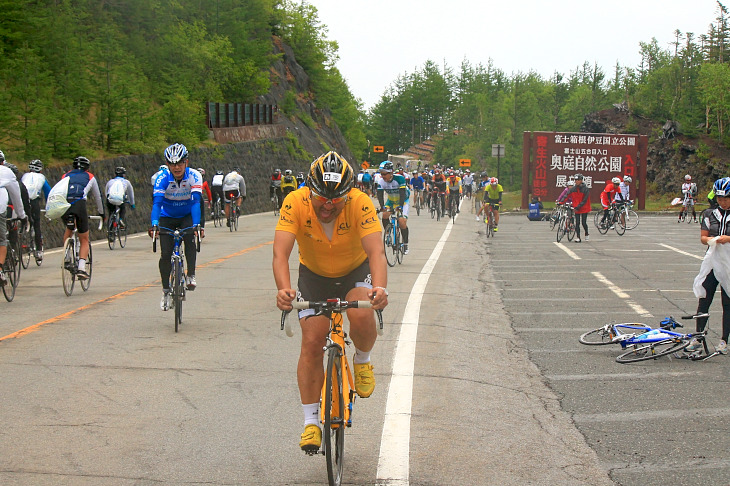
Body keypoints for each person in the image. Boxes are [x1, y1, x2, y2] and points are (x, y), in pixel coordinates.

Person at [272, 151, 388, 452]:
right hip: (314, 276)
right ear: (309, 189)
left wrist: (381, 289)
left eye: (336, 199)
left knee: (362, 314)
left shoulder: (360, 202)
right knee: (311, 341)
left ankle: (362, 360)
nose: (328, 205)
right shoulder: (294, 202)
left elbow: (376, 252)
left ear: (347, 194)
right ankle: (311, 423)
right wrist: (284, 290)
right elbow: (280, 254)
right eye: (321, 197)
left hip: (354, 271)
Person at [150, 143, 204, 310]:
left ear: (186, 162)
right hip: (167, 216)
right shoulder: (162, 178)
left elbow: (196, 202)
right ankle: (166, 291)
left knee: (189, 239)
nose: (177, 167)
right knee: (165, 254)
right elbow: (157, 204)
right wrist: (154, 224)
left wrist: (197, 225)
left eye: (180, 163)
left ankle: (191, 275)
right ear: (168, 165)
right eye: (173, 164)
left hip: (187, 215)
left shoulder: (194, 176)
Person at [688, 177, 730, 355]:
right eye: (720, 198)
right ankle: (698, 336)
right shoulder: (709, 214)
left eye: (726, 198)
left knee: (727, 302)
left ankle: (724, 340)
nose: (723, 201)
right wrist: (712, 240)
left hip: (728, 262)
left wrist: (727, 238)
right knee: (705, 298)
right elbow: (703, 237)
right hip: (712, 261)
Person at [59, 156, 105, 280]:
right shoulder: (90, 177)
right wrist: (101, 213)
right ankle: (81, 268)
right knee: (84, 238)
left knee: (68, 230)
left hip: (64, 204)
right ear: (87, 168)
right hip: (79, 205)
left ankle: (67, 257)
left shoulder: (65, 176)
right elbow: (98, 197)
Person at [0, 163, 27, 286]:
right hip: (2, 209)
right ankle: (0, 270)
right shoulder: (6, 172)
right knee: (2, 240)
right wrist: (22, 216)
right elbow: (17, 197)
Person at [376, 161, 411, 254]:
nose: (383, 176)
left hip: (403, 201)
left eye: (385, 174)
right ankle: (388, 234)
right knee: (385, 215)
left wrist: (400, 206)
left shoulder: (400, 179)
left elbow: (403, 193)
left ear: (391, 172)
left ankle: (406, 244)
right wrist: (382, 207)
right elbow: (379, 195)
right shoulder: (381, 181)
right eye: (381, 173)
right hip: (391, 201)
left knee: (402, 222)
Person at [20, 159, 51, 261]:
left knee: (21, 221)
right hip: (34, 202)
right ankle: (38, 251)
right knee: (36, 224)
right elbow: (48, 193)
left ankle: (17, 244)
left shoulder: (24, 176)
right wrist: (49, 207)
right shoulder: (42, 178)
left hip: (22, 201)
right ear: (41, 170)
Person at [105, 166, 135, 232]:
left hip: (110, 200)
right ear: (124, 175)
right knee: (123, 209)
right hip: (120, 200)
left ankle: (110, 231)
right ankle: (120, 219)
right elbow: (131, 194)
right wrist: (132, 204)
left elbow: (106, 192)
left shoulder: (110, 181)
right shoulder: (127, 182)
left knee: (111, 213)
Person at [566, 173, 590, 242]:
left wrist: (578, 206)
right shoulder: (573, 189)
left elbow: (585, 200)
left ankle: (586, 233)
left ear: (581, 180)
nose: (576, 181)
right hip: (576, 208)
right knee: (577, 223)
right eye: (575, 180)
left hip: (584, 208)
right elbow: (566, 195)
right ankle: (578, 237)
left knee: (583, 223)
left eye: (578, 180)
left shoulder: (585, 189)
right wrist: (560, 202)